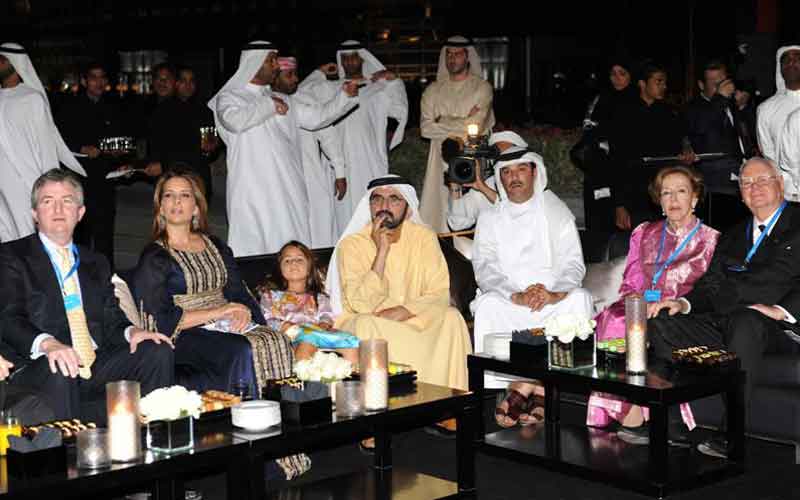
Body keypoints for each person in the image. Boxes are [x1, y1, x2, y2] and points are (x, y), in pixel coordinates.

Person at [130, 169, 310, 479]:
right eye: (169, 196)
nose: (176, 202)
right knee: (241, 351)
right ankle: (253, 460)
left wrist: (250, 317)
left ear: (197, 206)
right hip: (184, 333)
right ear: (160, 206)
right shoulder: (154, 256)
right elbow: (159, 318)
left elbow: (239, 292)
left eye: (184, 195)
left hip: (224, 320)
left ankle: (287, 448)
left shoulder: (215, 245)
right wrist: (219, 311)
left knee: (275, 341)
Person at [647, 157, 800, 459]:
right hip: (725, 319)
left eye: (762, 180)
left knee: (747, 320)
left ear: (780, 184)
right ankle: (673, 419)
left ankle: (733, 428)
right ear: (740, 193)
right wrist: (683, 302)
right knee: (661, 321)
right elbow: (710, 285)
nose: (754, 188)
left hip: (778, 326)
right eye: (746, 183)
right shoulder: (731, 235)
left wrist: (784, 310)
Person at [0, 169, 173, 422]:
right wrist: (49, 344)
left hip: (94, 361)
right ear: (35, 214)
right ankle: (69, 455)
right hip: (41, 364)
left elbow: (112, 318)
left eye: (67, 201)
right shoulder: (12, 256)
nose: (58, 209)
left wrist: (133, 332)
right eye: (48, 202)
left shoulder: (95, 261)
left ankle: (154, 444)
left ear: (79, 213)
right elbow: (9, 318)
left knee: (156, 351)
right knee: (60, 364)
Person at [585, 166, 720, 442]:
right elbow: (630, 284)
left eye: (681, 191)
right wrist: (640, 303)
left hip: (680, 312)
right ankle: (627, 410)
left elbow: (709, 293)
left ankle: (635, 412)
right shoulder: (645, 232)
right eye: (666, 193)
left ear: (694, 197)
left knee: (646, 323)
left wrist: (669, 304)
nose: (673, 199)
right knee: (615, 316)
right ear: (658, 200)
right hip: (642, 305)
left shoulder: (711, 240)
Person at [469, 148, 592, 426]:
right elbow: (485, 267)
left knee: (580, 300)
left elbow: (574, 263)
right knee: (488, 305)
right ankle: (529, 386)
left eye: (520, 170)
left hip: (551, 301)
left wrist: (555, 293)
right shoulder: (490, 217)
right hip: (511, 300)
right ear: (500, 179)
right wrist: (516, 295)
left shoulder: (556, 210)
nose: (514, 177)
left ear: (534, 172)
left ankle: (531, 386)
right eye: (506, 172)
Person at [208, 41, 359, 257]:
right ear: (255, 63)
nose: (276, 66)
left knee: (292, 249)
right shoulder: (231, 98)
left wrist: (345, 96)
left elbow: (318, 118)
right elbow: (234, 121)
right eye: (271, 60)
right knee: (255, 251)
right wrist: (269, 106)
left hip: (289, 192)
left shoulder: (285, 100)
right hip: (253, 194)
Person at [326, 175, 473, 395]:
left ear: (408, 208)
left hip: (417, 315)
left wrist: (404, 311)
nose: (384, 206)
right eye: (377, 199)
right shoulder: (352, 245)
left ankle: (447, 402)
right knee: (366, 324)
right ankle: (377, 408)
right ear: (369, 205)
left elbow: (439, 292)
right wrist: (381, 250)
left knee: (452, 318)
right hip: (372, 318)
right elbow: (360, 303)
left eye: (394, 199)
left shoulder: (423, 238)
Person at [0, 42, 85, 242]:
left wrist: (53, 191)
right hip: (2, 188)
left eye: (1, 60)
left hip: (27, 187)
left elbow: (46, 148)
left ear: (14, 63)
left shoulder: (32, 99)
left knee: (30, 243)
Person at [323, 41, 409, 233]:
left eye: (353, 56)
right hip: (340, 163)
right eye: (344, 58)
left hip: (369, 160)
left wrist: (394, 81)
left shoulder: (377, 88)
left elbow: (399, 110)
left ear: (362, 58)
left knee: (372, 208)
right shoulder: (332, 89)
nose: (349, 62)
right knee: (343, 215)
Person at [56, 61, 131, 267]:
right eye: (93, 77)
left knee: (105, 236)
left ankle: (107, 282)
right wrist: (81, 148)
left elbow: (120, 141)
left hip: (105, 181)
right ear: (84, 81)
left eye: (102, 78)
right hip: (79, 180)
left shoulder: (114, 107)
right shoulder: (69, 107)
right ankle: (78, 280)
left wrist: (121, 159)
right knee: (79, 234)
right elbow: (58, 140)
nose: (98, 82)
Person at [419, 36, 495, 232]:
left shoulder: (482, 88)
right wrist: (462, 122)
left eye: (458, 54)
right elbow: (426, 128)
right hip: (439, 161)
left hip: (471, 158)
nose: (452, 59)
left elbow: (477, 124)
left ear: (467, 56)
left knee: (469, 212)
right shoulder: (433, 91)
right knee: (437, 216)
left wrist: (442, 120)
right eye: (449, 54)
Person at [609, 60, 692, 230]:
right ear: (642, 84)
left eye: (665, 82)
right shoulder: (624, 113)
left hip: (663, 194)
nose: (664, 86)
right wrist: (619, 205)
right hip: (634, 196)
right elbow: (617, 160)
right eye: (658, 81)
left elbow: (680, 144)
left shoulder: (668, 113)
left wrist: (686, 151)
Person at [281, 57, 348, 247]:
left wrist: (340, 173)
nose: (295, 79)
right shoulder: (266, 103)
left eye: (295, 74)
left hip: (311, 179)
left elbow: (328, 136)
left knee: (320, 228)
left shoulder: (304, 99)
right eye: (289, 75)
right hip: (282, 182)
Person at [259, 240, 359, 363]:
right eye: (287, 260)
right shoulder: (270, 296)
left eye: (299, 259)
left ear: (309, 268)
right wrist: (286, 326)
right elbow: (266, 319)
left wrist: (322, 325)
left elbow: (326, 316)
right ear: (280, 268)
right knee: (307, 340)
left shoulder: (319, 298)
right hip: (288, 338)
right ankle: (304, 379)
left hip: (318, 334)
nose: (293, 263)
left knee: (351, 342)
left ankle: (350, 379)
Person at [685, 60, 750, 230]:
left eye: (723, 82)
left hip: (742, 181)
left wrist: (743, 108)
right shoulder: (695, 108)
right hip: (716, 187)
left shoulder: (730, 104)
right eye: (714, 83)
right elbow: (700, 128)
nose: (721, 87)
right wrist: (720, 97)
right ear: (701, 85)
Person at [577, 57, 639, 232]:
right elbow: (589, 135)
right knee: (599, 233)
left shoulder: (637, 102)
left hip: (626, 180)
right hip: (599, 175)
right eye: (613, 74)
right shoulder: (601, 99)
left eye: (622, 73)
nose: (617, 78)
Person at [446, 130, 528, 259]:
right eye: (499, 155)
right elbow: (457, 223)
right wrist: (455, 187)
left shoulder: (531, 183)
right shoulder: (485, 185)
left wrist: (484, 189)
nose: (503, 160)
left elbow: (517, 209)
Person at [148, 64, 218, 199]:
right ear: (175, 83)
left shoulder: (205, 111)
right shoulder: (162, 111)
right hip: (170, 180)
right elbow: (159, 148)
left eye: (191, 81)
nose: (188, 85)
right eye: (183, 80)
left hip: (197, 180)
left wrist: (212, 147)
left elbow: (208, 147)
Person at [757, 45, 800, 164]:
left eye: (797, 59)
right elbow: (768, 155)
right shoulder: (766, 109)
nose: (791, 62)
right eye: (786, 59)